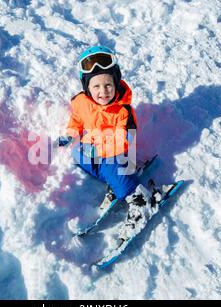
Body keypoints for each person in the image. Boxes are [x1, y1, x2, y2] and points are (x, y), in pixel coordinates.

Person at [55, 46, 172, 240]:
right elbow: (77, 119)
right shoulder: (81, 102)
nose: (103, 91)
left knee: (111, 166)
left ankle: (139, 199)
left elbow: (125, 139)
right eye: (96, 86)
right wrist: (71, 134)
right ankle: (116, 180)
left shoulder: (123, 111)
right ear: (87, 88)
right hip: (93, 149)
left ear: (116, 83)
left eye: (108, 85)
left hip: (117, 153)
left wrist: (100, 150)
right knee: (77, 154)